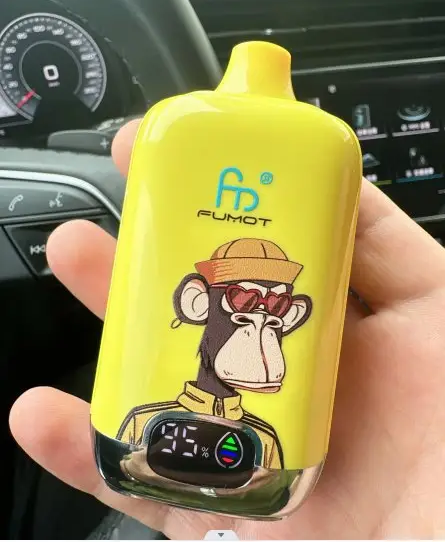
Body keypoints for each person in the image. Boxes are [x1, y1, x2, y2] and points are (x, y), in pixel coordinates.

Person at [9, 118, 445, 540]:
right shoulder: (139, 424)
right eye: (243, 302)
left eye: (276, 307)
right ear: (198, 302)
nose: (261, 321)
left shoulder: (270, 444)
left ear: (292, 314)